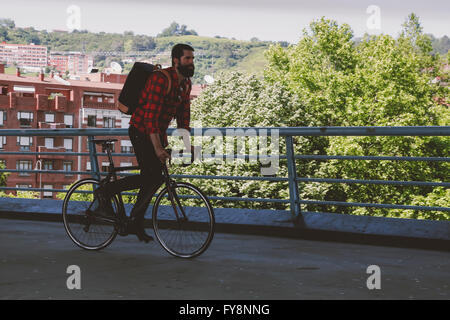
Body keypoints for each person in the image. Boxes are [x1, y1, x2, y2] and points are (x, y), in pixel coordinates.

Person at [95, 43, 195, 242]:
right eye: (187, 59)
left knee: (154, 179)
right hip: (141, 130)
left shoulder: (186, 84)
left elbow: (184, 117)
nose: (191, 63)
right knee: (151, 176)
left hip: (157, 132)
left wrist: (187, 144)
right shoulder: (160, 79)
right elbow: (150, 116)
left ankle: (135, 222)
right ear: (176, 60)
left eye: (193, 59)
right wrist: (158, 148)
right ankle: (105, 192)